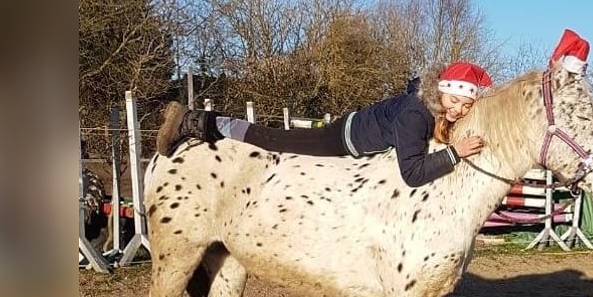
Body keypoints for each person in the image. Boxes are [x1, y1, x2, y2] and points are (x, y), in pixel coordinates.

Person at [157, 62, 492, 187]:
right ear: (442, 93)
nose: (459, 110)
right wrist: (455, 153)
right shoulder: (415, 114)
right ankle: (196, 121)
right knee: (272, 140)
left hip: (352, 133)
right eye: (455, 101)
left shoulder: (423, 103)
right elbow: (413, 174)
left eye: (466, 105)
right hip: (342, 142)